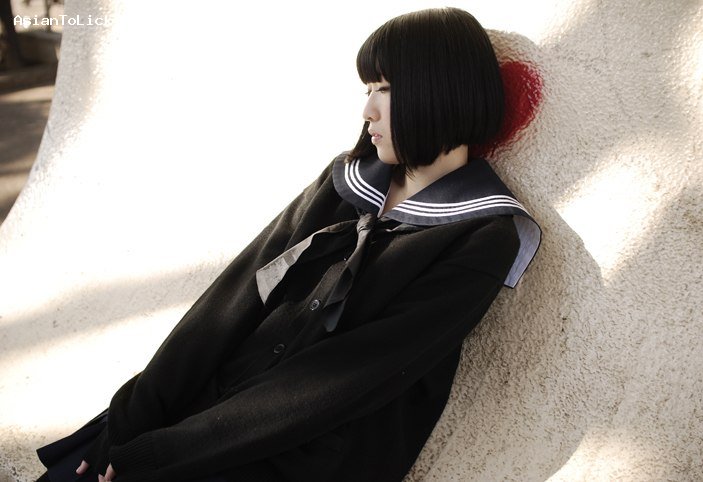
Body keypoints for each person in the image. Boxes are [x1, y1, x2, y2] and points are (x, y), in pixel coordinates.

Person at [36, 7, 541, 482]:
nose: (367, 110)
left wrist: (160, 454)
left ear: (440, 90)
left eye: (385, 89)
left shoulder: (482, 235)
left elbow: (342, 381)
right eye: (368, 89)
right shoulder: (347, 180)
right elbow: (232, 298)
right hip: (210, 412)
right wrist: (132, 418)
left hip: (309, 454)